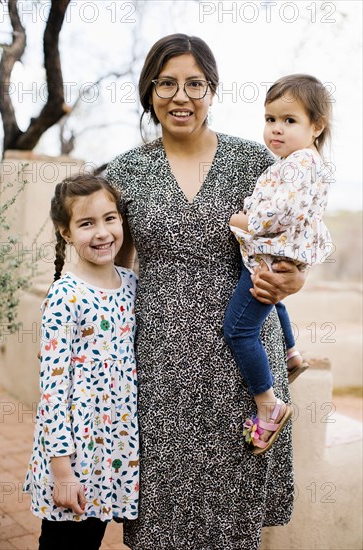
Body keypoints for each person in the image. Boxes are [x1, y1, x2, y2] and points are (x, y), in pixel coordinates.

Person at [106, 33, 307, 550]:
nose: (181, 96)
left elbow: (293, 245)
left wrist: (296, 278)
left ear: (212, 90)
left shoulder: (255, 163)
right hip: (159, 363)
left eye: (195, 83)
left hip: (241, 365)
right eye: (167, 83)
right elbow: (112, 266)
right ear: (150, 91)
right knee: (162, 512)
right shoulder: (125, 172)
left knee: (232, 514)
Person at [23, 175, 139, 550]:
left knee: (90, 539)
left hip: (110, 450)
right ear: (66, 232)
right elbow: (53, 390)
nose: (102, 232)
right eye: (87, 223)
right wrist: (62, 470)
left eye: (110, 218)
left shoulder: (130, 284)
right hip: (74, 454)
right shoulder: (65, 297)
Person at [223, 74, 332, 455]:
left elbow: (274, 212)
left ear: (315, 126)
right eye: (270, 119)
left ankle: (268, 405)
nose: (276, 129)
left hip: (269, 258)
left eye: (289, 121)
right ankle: (290, 353)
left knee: (239, 330)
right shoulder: (306, 163)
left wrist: (241, 219)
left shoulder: (296, 165)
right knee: (275, 303)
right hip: (277, 254)